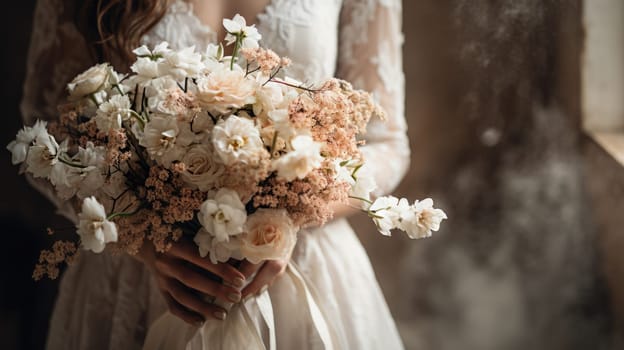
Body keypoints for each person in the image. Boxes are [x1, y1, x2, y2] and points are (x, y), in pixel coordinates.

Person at [21, 0, 410, 348]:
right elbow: (47, 132)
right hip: (143, 278)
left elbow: (387, 142)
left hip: (299, 269)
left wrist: (290, 216)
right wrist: (137, 236)